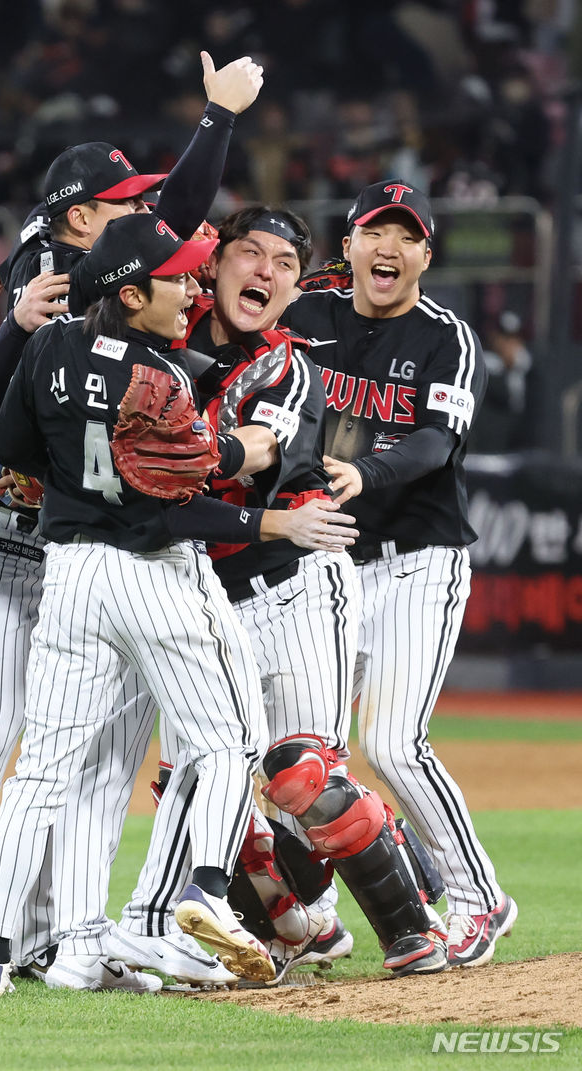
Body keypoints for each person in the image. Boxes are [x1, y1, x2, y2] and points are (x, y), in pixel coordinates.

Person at [0, 51, 267, 989]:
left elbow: (176, 227)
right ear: (83, 217)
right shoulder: (51, 276)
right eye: (126, 205)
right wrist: (15, 324)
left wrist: (215, 118)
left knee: (86, 757)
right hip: (0, 541)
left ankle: (50, 939)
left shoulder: (89, 269)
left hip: (71, 551)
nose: (149, 218)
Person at [94, 206, 448, 983]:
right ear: (211, 265)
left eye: (283, 263)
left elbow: (225, 465)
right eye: (248, 253)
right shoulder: (164, 339)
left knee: (299, 774)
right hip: (202, 597)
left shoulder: (288, 367)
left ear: (296, 287)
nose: (263, 271)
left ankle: (412, 926)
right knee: (193, 784)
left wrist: (164, 446)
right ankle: (292, 926)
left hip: (292, 584)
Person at [0, 213, 280, 997]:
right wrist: (254, 449)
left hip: (69, 573)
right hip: (148, 570)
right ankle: (206, 888)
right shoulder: (162, 379)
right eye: (176, 279)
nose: (193, 287)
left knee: (40, 771)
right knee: (232, 742)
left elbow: (13, 454)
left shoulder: (47, 347)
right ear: (131, 292)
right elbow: (197, 476)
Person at [281, 179, 518, 968]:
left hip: (418, 559)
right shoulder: (305, 316)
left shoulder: (444, 335)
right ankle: (318, 912)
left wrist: (365, 472)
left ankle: (481, 898)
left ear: (425, 252)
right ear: (345, 247)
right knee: (304, 751)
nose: (389, 246)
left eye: (405, 234)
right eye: (374, 232)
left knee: (393, 738)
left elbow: (436, 442)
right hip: (329, 567)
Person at [468, 309, 533, 453]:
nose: (509, 345)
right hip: (485, 447)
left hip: (516, 447)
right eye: (505, 338)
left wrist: (516, 370)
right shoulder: (482, 364)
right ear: (494, 337)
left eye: (514, 339)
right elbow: (503, 394)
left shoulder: (529, 370)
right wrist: (510, 369)